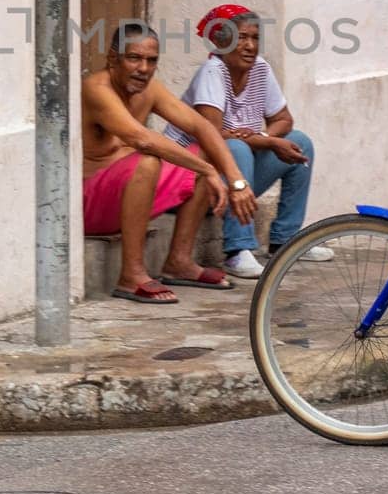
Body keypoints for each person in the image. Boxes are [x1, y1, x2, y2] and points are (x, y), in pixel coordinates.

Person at [81, 22, 260, 304]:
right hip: (89, 205)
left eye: (151, 61)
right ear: (113, 59)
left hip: (132, 196)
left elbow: (201, 126)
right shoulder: (96, 89)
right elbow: (142, 139)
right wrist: (209, 171)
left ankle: (179, 261)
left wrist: (237, 181)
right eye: (134, 58)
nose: (143, 68)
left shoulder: (149, 89)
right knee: (150, 160)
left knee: (202, 151)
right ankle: (131, 275)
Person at [168, 5, 330, 279]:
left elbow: (283, 119)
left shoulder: (260, 69)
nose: (249, 46)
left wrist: (266, 138)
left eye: (254, 38)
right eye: (241, 37)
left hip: (232, 179)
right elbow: (214, 135)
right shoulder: (212, 71)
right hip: (190, 182)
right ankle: (237, 250)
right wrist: (265, 143)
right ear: (220, 41)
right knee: (236, 148)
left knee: (299, 142)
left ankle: (284, 240)